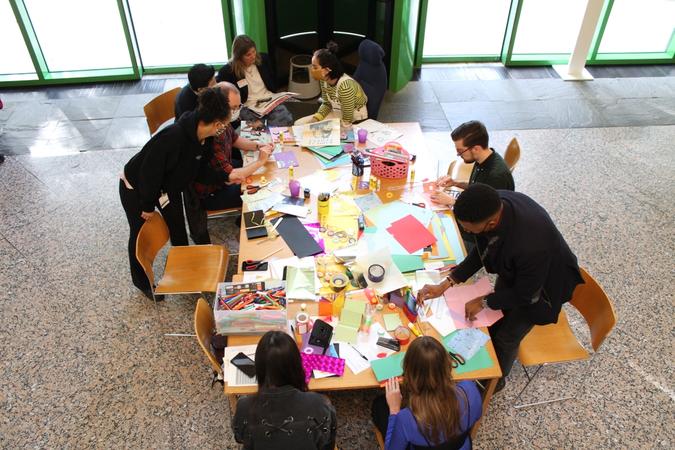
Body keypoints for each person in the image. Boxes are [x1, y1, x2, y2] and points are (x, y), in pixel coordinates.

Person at [418, 184, 584, 392]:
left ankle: (496, 381)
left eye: (469, 228)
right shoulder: (493, 202)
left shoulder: (531, 244)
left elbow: (526, 294)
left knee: (507, 337)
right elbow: (482, 250)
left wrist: (485, 301)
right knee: (496, 317)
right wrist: (446, 283)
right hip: (521, 272)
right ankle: (488, 355)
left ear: (491, 223)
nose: (466, 232)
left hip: (543, 290)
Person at [119, 87, 230, 300]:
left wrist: (226, 177)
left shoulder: (204, 139)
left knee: (178, 226)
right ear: (217, 124)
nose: (225, 129)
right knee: (139, 232)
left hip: (167, 188)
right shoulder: (173, 137)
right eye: (224, 124)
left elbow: (200, 171)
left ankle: (185, 273)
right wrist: (147, 206)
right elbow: (148, 172)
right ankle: (142, 282)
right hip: (136, 187)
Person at [186, 82, 274, 244]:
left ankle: (243, 219)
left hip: (224, 172)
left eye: (238, 106)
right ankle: (251, 234)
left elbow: (235, 139)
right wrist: (260, 160)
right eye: (233, 107)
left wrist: (258, 145)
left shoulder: (222, 121)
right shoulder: (214, 132)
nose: (236, 111)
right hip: (211, 193)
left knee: (253, 174)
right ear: (220, 106)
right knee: (259, 191)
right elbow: (231, 176)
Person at [371, 336, 482, 450]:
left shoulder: (405, 419)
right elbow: (476, 416)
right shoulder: (470, 389)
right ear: (447, 364)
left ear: (409, 372)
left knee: (379, 405)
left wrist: (394, 409)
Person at [232, 331, 337, 450]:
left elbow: (239, 437)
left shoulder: (244, 406)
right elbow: (326, 441)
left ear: (259, 368)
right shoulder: (319, 403)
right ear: (297, 365)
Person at [431, 120, 514, 207]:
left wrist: (453, 201)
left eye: (460, 151)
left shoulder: (496, 177)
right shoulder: (482, 158)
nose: (459, 155)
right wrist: (455, 183)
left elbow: (486, 212)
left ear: (475, 149)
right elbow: (478, 187)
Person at [217, 34, 293, 127]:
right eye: (248, 55)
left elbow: (272, 80)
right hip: (248, 106)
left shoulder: (264, 59)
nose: (253, 56)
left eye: (254, 51)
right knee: (251, 126)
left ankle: (265, 126)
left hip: (268, 99)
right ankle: (266, 126)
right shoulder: (228, 71)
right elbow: (224, 96)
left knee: (286, 119)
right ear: (239, 57)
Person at [294, 42, 368, 127]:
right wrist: (315, 119)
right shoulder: (324, 80)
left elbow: (347, 119)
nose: (311, 70)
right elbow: (327, 104)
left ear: (326, 70)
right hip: (338, 112)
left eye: (315, 67)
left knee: (318, 133)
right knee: (299, 124)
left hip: (354, 119)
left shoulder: (345, 86)